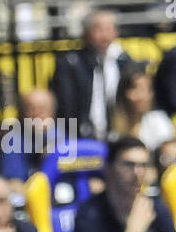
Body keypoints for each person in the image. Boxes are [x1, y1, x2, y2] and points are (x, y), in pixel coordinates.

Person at [50, 9, 132, 141]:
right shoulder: (71, 63)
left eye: (109, 29)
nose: (105, 35)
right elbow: (65, 105)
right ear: (85, 33)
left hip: (118, 134)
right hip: (79, 134)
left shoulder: (124, 61)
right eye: (98, 29)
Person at [109, 62, 176, 153]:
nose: (142, 96)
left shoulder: (159, 120)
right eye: (136, 88)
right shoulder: (111, 125)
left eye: (147, 89)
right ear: (123, 92)